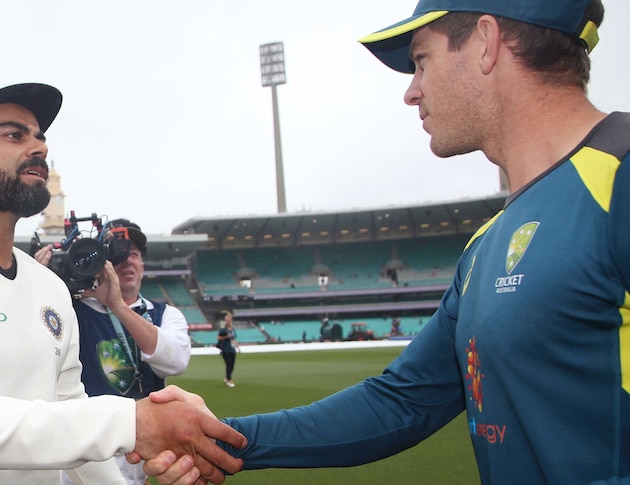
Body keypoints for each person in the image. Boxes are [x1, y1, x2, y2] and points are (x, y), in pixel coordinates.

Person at [138, 0, 630, 483]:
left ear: (486, 42)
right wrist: (219, 439)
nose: (411, 92)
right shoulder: (486, 244)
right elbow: (401, 401)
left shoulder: (619, 182)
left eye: (421, 61)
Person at [0, 82, 245, 484]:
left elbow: (70, 410)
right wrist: (131, 422)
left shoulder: (48, 287)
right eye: (14, 134)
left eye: (40, 137)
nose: (39, 148)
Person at [34, 218, 192, 485]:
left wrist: (117, 305)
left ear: (143, 264)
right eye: (116, 256)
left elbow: (174, 362)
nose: (127, 262)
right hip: (81, 457)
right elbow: (30, 353)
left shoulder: (165, 314)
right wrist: (35, 288)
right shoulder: (69, 311)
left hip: (136, 456)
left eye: (133, 255)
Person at [216, 312, 239, 388]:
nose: (228, 321)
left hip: (232, 349)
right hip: (225, 349)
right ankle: (229, 380)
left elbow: (234, 338)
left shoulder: (233, 329)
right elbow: (218, 338)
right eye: (227, 320)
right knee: (228, 364)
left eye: (229, 320)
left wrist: (238, 347)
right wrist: (226, 336)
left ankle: (227, 377)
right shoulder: (223, 329)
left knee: (232, 365)